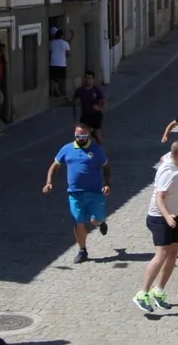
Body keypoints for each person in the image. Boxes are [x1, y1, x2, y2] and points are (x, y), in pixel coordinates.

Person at [133, 141, 178, 313]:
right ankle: (142, 293)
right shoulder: (168, 172)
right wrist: (167, 217)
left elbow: (167, 154)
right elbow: (160, 198)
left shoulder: (176, 157)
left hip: (176, 215)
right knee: (162, 254)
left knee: (173, 254)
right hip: (161, 217)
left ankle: (158, 291)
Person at [43, 124, 111, 264]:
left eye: (83, 136)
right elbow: (54, 166)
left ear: (88, 134)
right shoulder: (67, 149)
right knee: (78, 222)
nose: (80, 138)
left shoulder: (96, 149)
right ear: (74, 134)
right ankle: (82, 250)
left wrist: (107, 183)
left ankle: (101, 223)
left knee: (94, 220)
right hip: (75, 194)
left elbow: (106, 166)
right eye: (78, 136)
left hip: (94, 193)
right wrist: (49, 182)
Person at [72, 70, 107, 144]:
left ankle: (100, 150)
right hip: (85, 115)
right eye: (86, 78)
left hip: (95, 115)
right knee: (83, 135)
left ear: (93, 79)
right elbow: (74, 101)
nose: (87, 80)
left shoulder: (96, 90)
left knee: (97, 135)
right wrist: (74, 114)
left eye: (89, 78)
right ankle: (85, 151)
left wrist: (99, 108)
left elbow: (104, 102)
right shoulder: (80, 90)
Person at [48, 28, 72, 97]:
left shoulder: (51, 43)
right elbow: (68, 54)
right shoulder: (65, 43)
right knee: (62, 79)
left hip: (52, 63)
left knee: (53, 78)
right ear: (62, 35)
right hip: (62, 64)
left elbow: (49, 52)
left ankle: (51, 92)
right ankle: (63, 92)